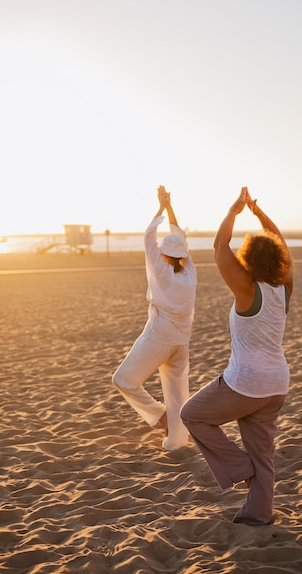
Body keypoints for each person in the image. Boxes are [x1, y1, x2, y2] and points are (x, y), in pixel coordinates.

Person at [181, 187, 293, 525]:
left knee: (193, 415)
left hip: (245, 384)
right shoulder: (285, 287)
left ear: (249, 259)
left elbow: (219, 247)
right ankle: (258, 515)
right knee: (264, 454)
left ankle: (240, 468)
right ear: (276, 260)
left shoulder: (247, 289)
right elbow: (283, 243)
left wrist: (234, 211)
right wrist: (259, 215)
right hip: (277, 385)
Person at [112, 185, 197, 451]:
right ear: (182, 256)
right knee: (178, 396)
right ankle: (175, 441)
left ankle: (160, 416)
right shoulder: (190, 272)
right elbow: (179, 236)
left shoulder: (160, 269)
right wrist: (170, 209)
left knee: (123, 380)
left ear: (163, 254)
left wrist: (161, 206)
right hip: (181, 342)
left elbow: (149, 235)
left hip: (159, 336)